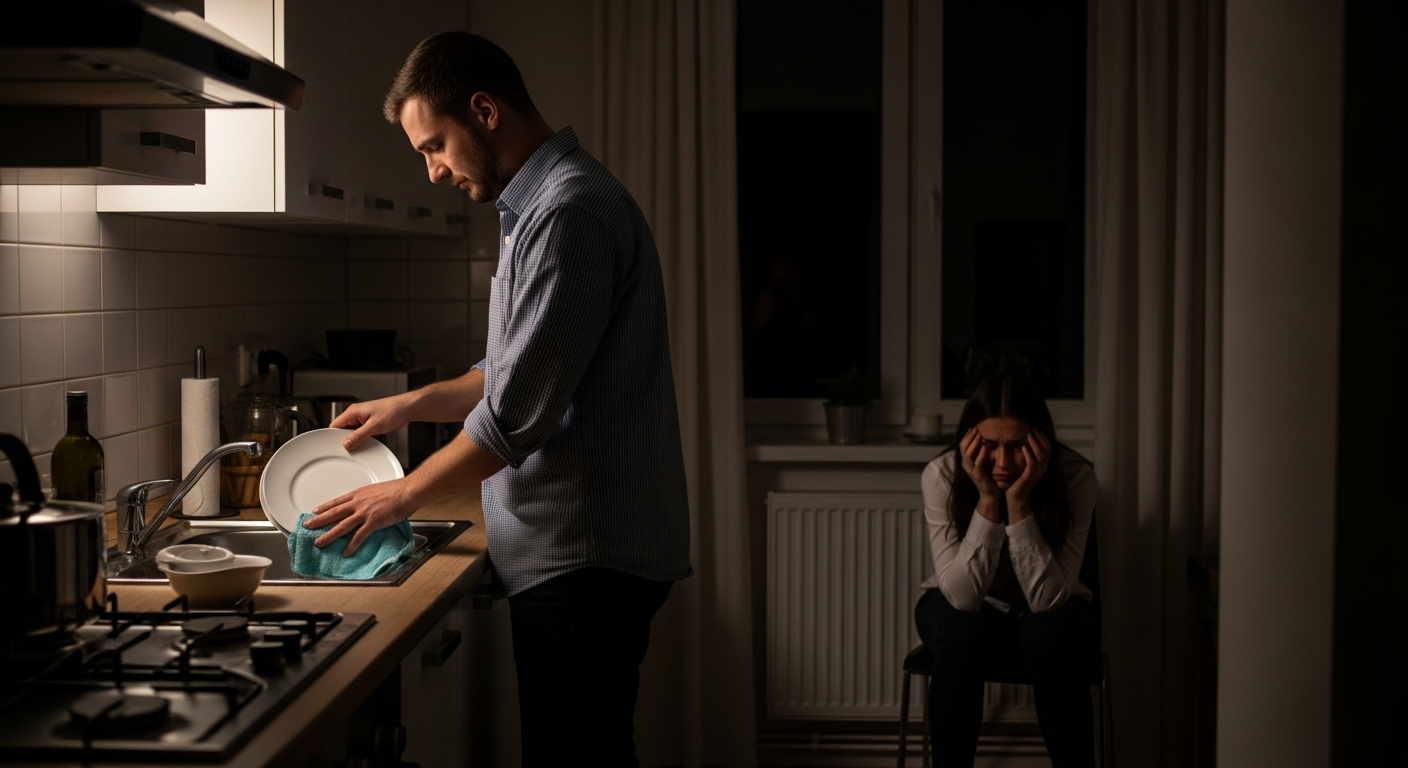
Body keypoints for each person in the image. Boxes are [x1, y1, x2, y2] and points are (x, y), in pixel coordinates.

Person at [299, 32, 692, 767]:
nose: (433, 171)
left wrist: (399, 497)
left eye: (434, 145)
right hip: (581, 554)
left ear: (484, 110)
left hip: (585, 556)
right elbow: (512, 369)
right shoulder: (536, 208)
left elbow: (515, 417)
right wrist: (407, 406)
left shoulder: (569, 213)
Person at [915, 374, 1099, 768]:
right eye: (988, 445)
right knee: (961, 631)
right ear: (968, 439)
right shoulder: (942, 474)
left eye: (1017, 446)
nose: (1002, 462)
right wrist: (986, 498)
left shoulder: (1077, 478)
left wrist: (1018, 503)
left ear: (1040, 440)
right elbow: (962, 598)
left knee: (1046, 631)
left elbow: (1048, 599)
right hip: (963, 604)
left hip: (1053, 606)